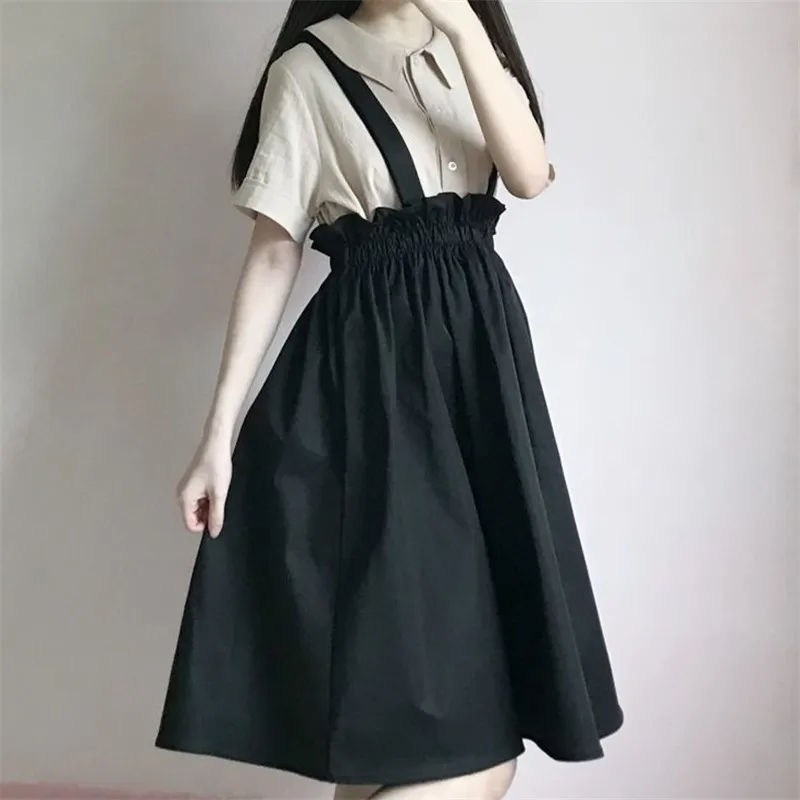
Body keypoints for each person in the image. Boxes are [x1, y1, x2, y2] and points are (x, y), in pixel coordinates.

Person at [154, 2, 624, 798]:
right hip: (377, 386)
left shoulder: (471, 49)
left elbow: (527, 176)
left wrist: (466, 29)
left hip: (480, 367)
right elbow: (273, 254)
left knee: (418, 729)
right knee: (454, 734)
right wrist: (217, 435)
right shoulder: (307, 70)